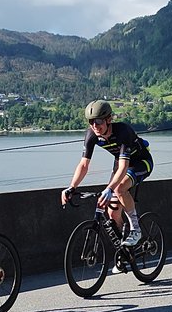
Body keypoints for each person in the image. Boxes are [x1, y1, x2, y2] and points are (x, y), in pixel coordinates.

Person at [62, 100, 154, 245]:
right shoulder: (92, 134)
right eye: (91, 121)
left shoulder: (123, 131)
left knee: (119, 188)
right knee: (113, 214)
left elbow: (124, 166)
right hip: (120, 163)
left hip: (140, 162)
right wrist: (72, 187)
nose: (95, 125)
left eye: (98, 121)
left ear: (109, 119)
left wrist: (110, 189)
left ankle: (136, 229)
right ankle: (125, 251)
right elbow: (84, 164)